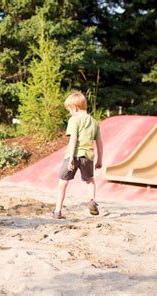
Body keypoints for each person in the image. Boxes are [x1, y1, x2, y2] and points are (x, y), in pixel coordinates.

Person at [52, 91, 103, 219]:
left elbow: (73, 139)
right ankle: (92, 200)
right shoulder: (94, 122)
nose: (69, 112)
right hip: (88, 156)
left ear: (74, 107)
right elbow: (99, 143)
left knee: (63, 182)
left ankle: (58, 211)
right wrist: (99, 160)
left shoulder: (74, 120)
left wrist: (70, 159)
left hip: (73, 155)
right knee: (90, 180)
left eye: (69, 109)